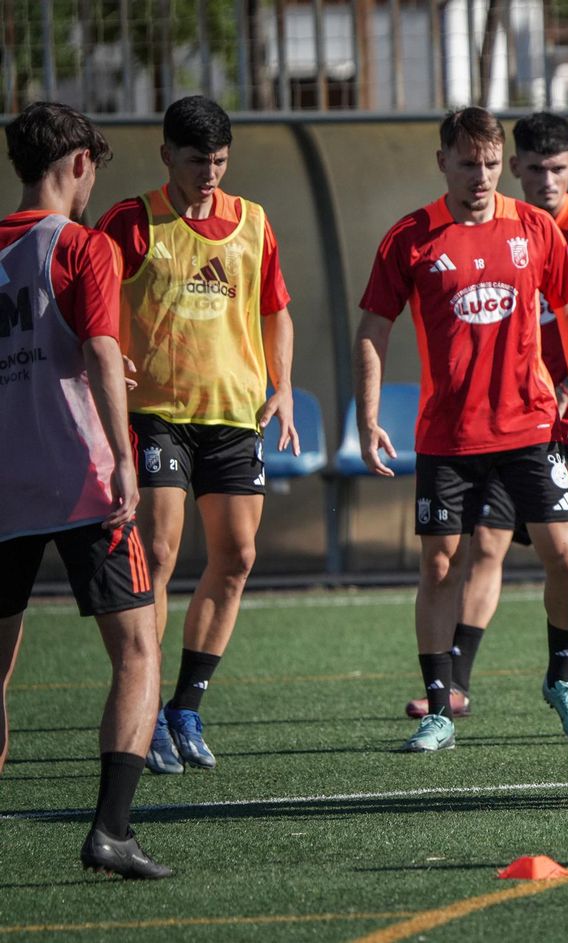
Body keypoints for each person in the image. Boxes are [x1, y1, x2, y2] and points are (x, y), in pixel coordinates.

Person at [401, 111, 568, 722]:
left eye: (557, 169)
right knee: (486, 548)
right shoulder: (497, 229)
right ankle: (456, 685)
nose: (546, 181)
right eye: (534, 169)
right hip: (514, 425)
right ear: (515, 169)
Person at [355, 106, 568, 752]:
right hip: (449, 436)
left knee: (567, 558)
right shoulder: (410, 237)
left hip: (530, 425)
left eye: (491, 164)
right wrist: (368, 415)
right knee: (441, 565)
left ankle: (561, 677)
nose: (482, 176)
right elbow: (373, 327)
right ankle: (440, 708)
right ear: (443, 163)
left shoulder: (534, 227)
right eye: (468, 164)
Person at [95, 95, 299, 774]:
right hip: (155, 414)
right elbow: (90, 301)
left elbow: (276, 310)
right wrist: (106, 352)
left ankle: (185, 706)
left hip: (235, 416)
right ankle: (146, 707)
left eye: (219, 160)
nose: (209, 173)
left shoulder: (254, 222)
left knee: (236, 557)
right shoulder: (131, 221)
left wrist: (283, 386)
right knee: (156, 553)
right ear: (166, 156)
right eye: (195, 160)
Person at [0, 102, 170, 878]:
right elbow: (100, 350)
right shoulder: (81, 245)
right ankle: (111, 831)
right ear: (77, 165)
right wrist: (124, 460)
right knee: (137, 649)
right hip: (82, 481)